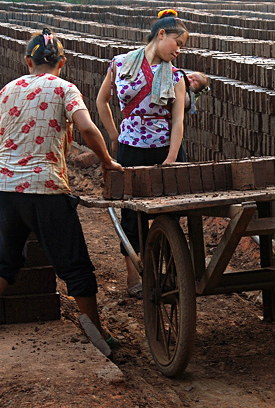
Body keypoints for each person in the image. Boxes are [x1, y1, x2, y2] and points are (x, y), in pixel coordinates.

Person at [0, 28, 124, 351]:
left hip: (2, 186)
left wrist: (6, 156)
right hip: (45, 186)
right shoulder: (65, 89)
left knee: (5, 257)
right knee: (74, 263)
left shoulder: (9, 89)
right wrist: (107, 160)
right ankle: (96, 331)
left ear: (29, 61)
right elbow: (86, 126)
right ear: (62, 62)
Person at [96, 8, 189, 299]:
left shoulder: (176, 76)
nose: (179, 51)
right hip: (131, 149)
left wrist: (172, 158)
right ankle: (133, 275)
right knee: (131, 214)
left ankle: (172, 269)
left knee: (169, 212)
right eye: (178, 43)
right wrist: (114, 136)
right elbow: (102, 101)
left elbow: (178, 121)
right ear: (161, 34)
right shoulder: (120, 64)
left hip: (164, 149)